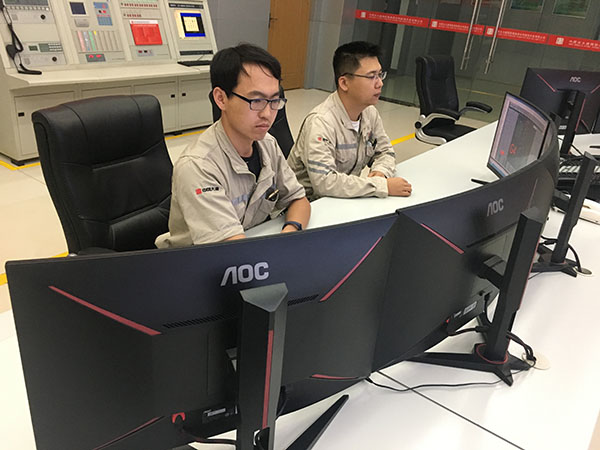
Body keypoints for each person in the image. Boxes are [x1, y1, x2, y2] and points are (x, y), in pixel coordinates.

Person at [156, 44, 310, 247]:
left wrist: (289, 232)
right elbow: (232, 249)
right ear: (221, 99)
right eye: (256, 100)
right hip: (202, 260)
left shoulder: (267, 144)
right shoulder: (198, 166)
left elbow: (298, 200)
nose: (267, 114)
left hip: (248, 248)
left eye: (274, 100)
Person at [287, 41, 412, 201]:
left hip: (344, 199)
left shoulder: (369, 113)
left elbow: (385, 152)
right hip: (308, 203)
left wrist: (380, 172)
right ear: (344, 83)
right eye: (371, 76)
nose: (380, 83)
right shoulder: (321, 122)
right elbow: (325, 183)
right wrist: (381, 186)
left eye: (380, 75)